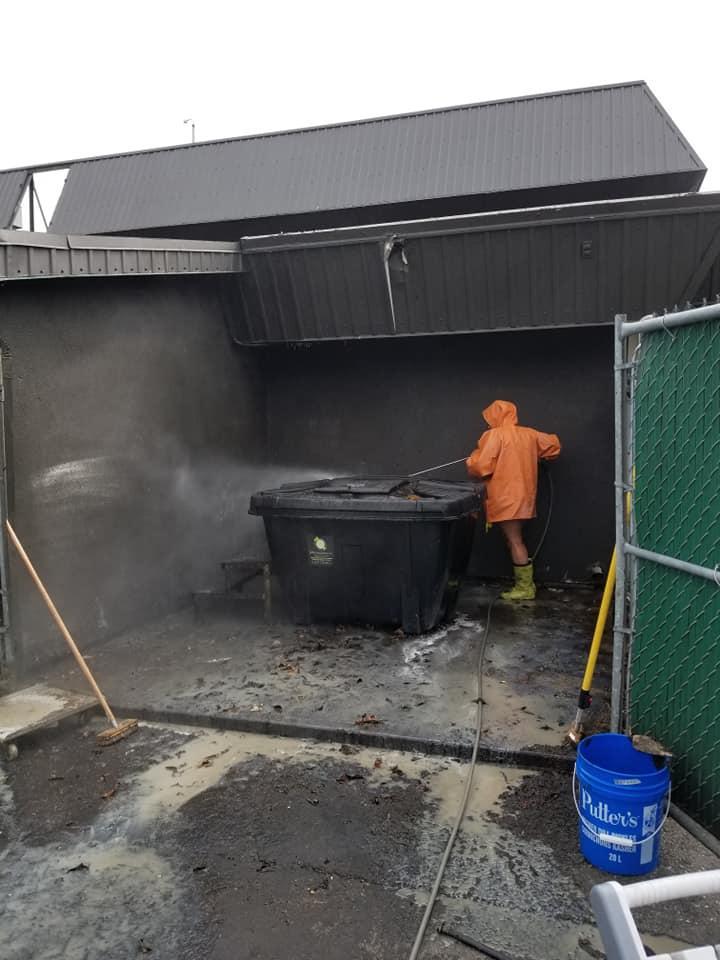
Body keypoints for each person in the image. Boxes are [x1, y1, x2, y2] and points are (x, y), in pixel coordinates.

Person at [466, 400, 561, 601]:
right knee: (514, 539)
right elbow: (554, 446)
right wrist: (533, 454)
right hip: (525, 496)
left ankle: (525, 588)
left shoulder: (493, 435)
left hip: (506, 497)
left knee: (515, 540)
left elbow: (482, 466)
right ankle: (525, 585)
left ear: (495, 416)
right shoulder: (529, 434)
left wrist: (473, 457)